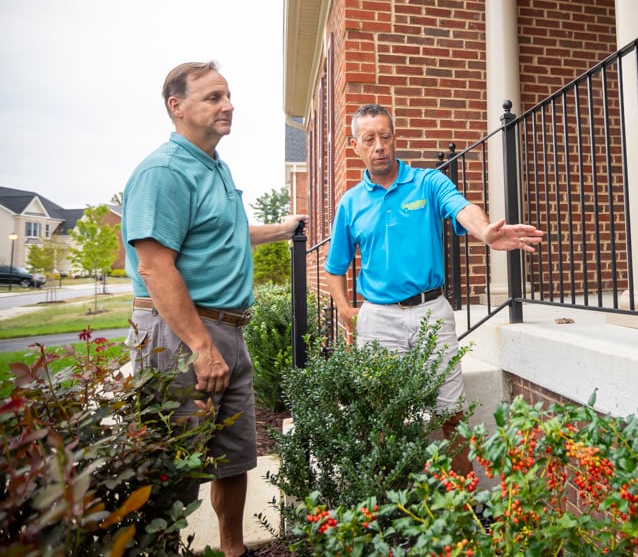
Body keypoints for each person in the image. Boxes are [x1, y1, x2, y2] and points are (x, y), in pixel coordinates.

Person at [122, 61, 305, 557]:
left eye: (228, 96)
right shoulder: (165, 172)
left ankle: (232, 550)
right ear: (176, 107)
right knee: (174, 464)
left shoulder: (215, 168)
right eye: (213, 97)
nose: (228, 106)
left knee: (234, 458)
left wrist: (284, 229)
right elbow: (156, 268)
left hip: (226, 331)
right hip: (182, 334)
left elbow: (230, 234)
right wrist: (201, 347)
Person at [324, 103, 544, 476]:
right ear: (355, 146)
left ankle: (463, 502)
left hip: (431, 311)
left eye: (385, 136)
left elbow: (462, 208)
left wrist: (485, 232)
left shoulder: (428, 182)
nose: (379, 146)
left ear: (395, 138)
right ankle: (388, 507)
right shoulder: (351, 203)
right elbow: (334, 268)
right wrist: (346, 312)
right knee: (381, 413)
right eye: (369, 139)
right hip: (378, 318)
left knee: (450, 410)